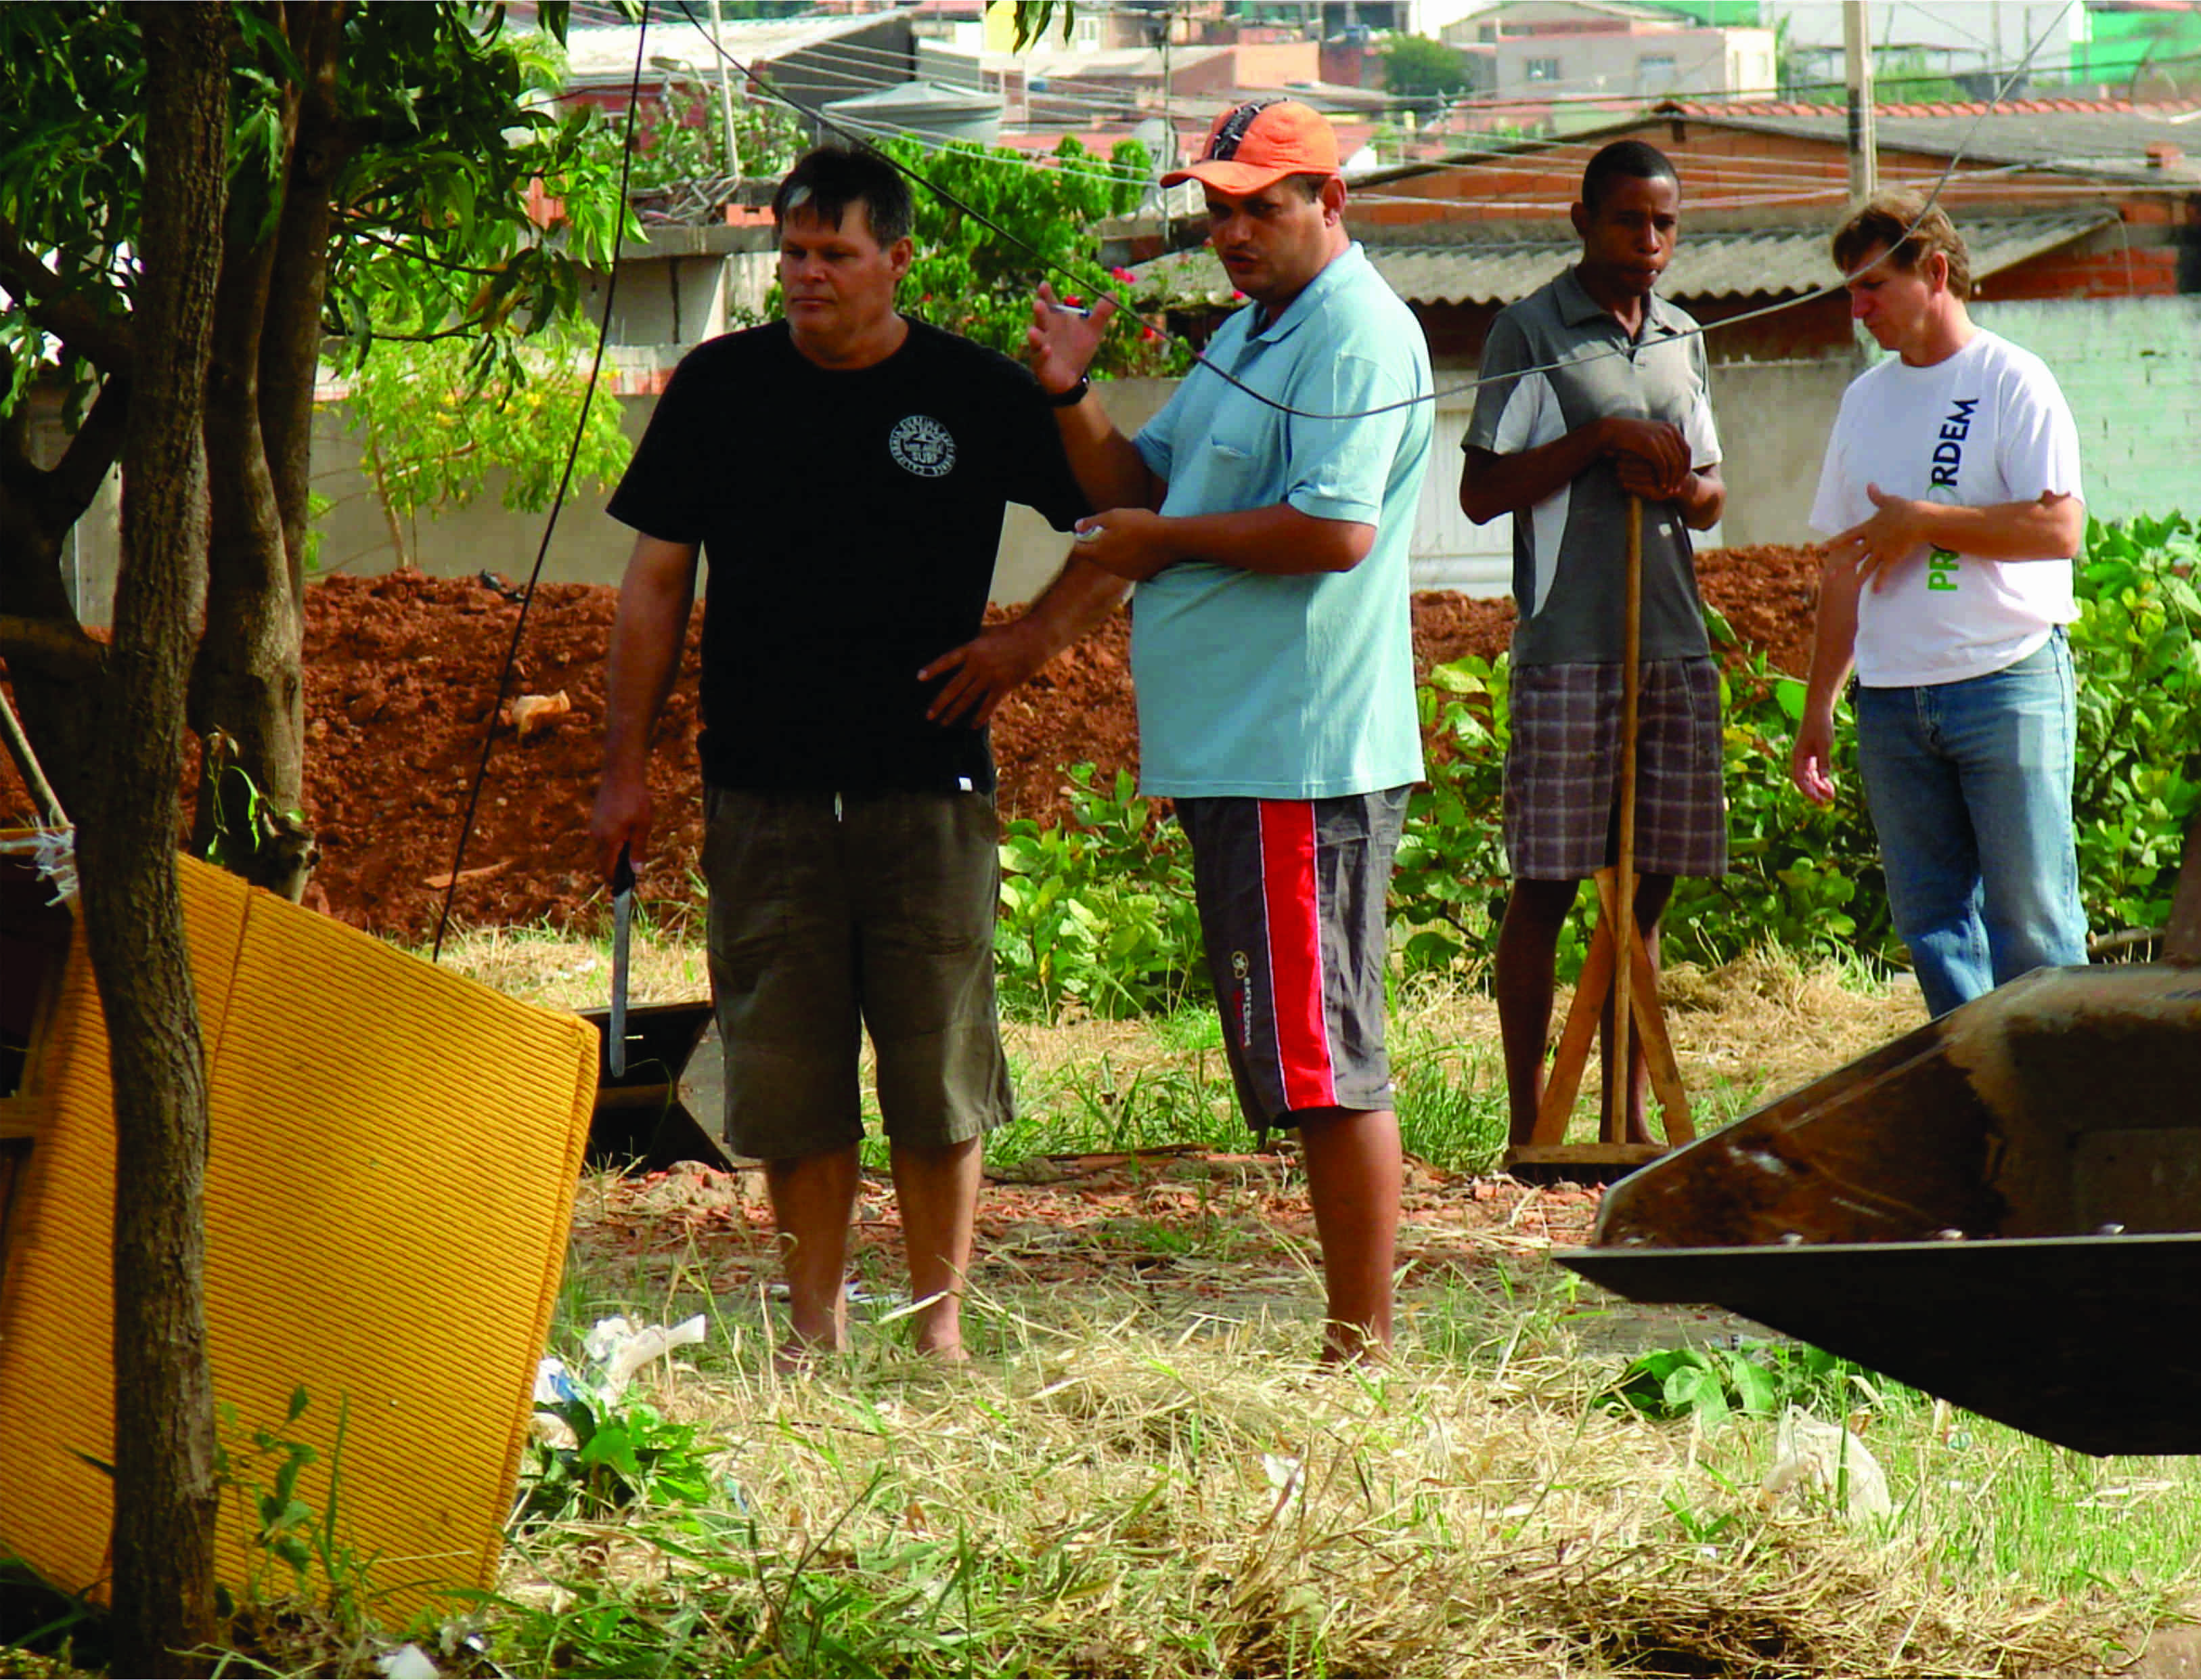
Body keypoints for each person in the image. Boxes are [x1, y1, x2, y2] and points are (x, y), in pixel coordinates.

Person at [590, 146, 1123, 1365]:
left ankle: (939, 1325)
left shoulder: (977, 392)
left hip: (924, 784)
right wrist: (626, 763)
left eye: (834, 253)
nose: (808, 275)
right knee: (790, 1065)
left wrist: (1028, 642)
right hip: (761, 787)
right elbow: (654, 584)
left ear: (897, 260)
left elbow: (1119, 516)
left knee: (936, 1061)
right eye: (792, 252)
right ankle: (814, 1328)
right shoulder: (719, 388)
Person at [1026, 98, 1432, 1363]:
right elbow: (1134, 490)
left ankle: (1358, 1346)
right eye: (1218, 208)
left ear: (1331, 201)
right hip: (1241, 744)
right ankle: (1350, 1337)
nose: (1235, 230)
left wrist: (1163, 546)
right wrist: (1069, 391)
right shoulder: (1255, 334)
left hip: (1299, 747)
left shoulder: (1355, 333)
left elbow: (1332, 532)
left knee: (1323, 1057)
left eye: (1264, 204)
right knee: (1305, 1049)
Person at [1457, 140, 1726, 1146]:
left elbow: (1711, 495)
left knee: (1645, 889)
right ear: (1582, 221)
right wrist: (1600, 443)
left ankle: (1620, 1113)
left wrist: (1681, 487)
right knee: (1551, 882)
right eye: (1628, 221)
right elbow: (1481, 494)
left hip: (1671, 640)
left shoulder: (1683, 337)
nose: (1649, 244)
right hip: (1569, 642)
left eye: (1664, 225)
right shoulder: (1530, 333)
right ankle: (1532, 1124)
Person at [1789, 190, 2088, 1017]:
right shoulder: (1864, 401)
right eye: (1850, 292)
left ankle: (2058, 1101)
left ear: (1934, 272)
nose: (1857, 310)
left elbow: (2058, 526)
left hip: (2006, 680)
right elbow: (1843, 565)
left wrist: (1923, 522)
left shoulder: (2011, 380)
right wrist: (1821, 705)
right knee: (1932, 926)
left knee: (2030, 917)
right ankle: (1975, 1095)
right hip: (1891, 700)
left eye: (1871, 288)